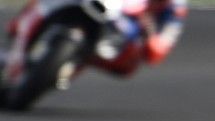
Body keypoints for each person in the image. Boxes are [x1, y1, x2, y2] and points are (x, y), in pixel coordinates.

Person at [1, 0, 187, 89]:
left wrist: (149, 34)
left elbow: (158, 53)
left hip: (117, 38)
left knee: (128, 61)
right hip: (90, 6)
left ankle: (67, 67)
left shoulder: (175, 8)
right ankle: (23, 35)